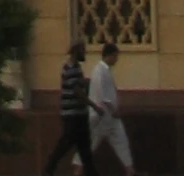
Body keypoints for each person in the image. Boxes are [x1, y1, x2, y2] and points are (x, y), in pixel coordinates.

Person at [43, 39, 96, 176]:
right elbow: (77, 92)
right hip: (73, 115)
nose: (85, 53)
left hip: (79, 114)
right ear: (77, 51)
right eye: (83, 50)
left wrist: (87, 82)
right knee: (65, 145)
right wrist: (94, 105)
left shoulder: (76, 67)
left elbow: (79, 84)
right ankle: (48, 170)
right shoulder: (70, 68)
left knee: (85, 150)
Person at [88, 41, 137, 175]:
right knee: (89, 146)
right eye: (115, 56)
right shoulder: (99, 71)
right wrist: (112, 108)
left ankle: (130, 170)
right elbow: (101, 95)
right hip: (101, 117)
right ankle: (78, 171)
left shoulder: (105, 71)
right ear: (109, 55)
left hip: (111, 118)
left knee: (122, 143)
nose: (116, 60)